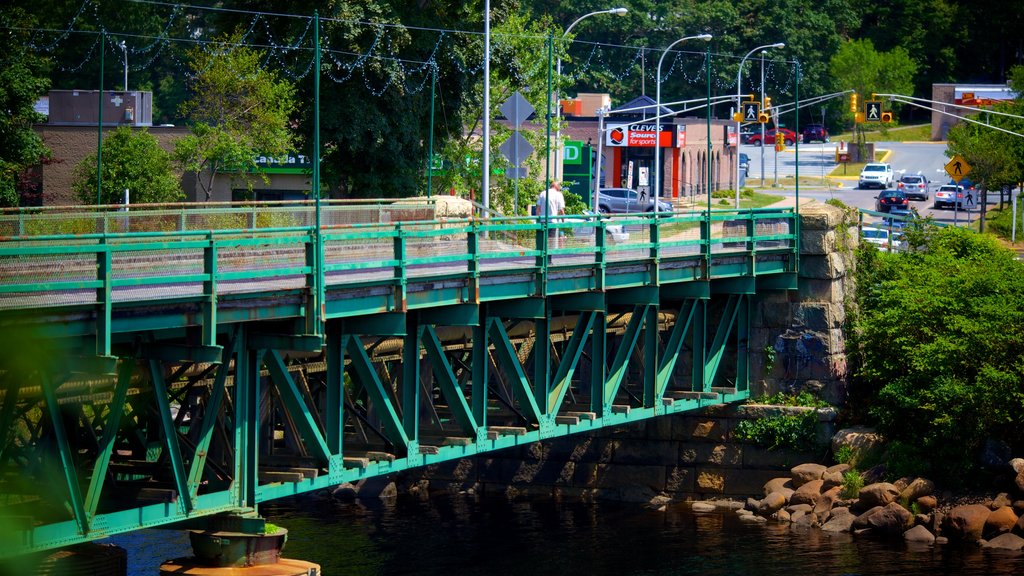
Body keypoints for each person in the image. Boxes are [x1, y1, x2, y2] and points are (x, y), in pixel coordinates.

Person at [536, 181, 566, 261]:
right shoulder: (558, 195)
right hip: (552, 222)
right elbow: (561, 210)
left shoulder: (543, 193)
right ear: (557, 187)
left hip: (542, 221)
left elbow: (538, 209)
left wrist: (538, 220)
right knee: (550, 241)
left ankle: (541, 259)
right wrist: (563, 222)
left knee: (542, 241)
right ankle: (548, 260)